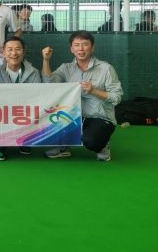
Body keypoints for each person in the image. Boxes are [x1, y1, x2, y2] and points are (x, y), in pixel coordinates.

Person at [42, 31, 123, 161]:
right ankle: (63, 148)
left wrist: (94, 91)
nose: (81, 49)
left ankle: (102, 146)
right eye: (76, 45)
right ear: (71, 49)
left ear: (92, 47)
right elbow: (49, 83)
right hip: (72, 115)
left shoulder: (106, 69)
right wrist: (46, 60)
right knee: (49, 117)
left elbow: (117, 97)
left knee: (91, 141)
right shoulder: (66, 68)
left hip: (99, 116)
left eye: (85, 44)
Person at [0, 36, 42, 161]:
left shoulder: (33, 72)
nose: (14, 53)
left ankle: (25, 141)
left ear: (24, 52)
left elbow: (37, 96)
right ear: (3, 52)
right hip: (1, 111)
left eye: (18, 49)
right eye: (10, 49)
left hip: (23, 110)